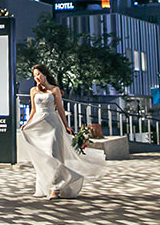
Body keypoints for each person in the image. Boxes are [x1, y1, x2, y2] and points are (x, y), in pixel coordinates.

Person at [19, 64, 105, 199]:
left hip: (53, 125)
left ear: (45, 74)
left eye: (39, 74)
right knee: (45, 157)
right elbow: (33, 110)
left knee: (54, 155)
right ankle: (50, 183)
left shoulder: (55, 90)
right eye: (34, 75)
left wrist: (66, 126)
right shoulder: (33, 90)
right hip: (39, 125)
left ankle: (56, 188)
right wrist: (26, 124)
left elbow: (60, 108)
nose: (37, 77)